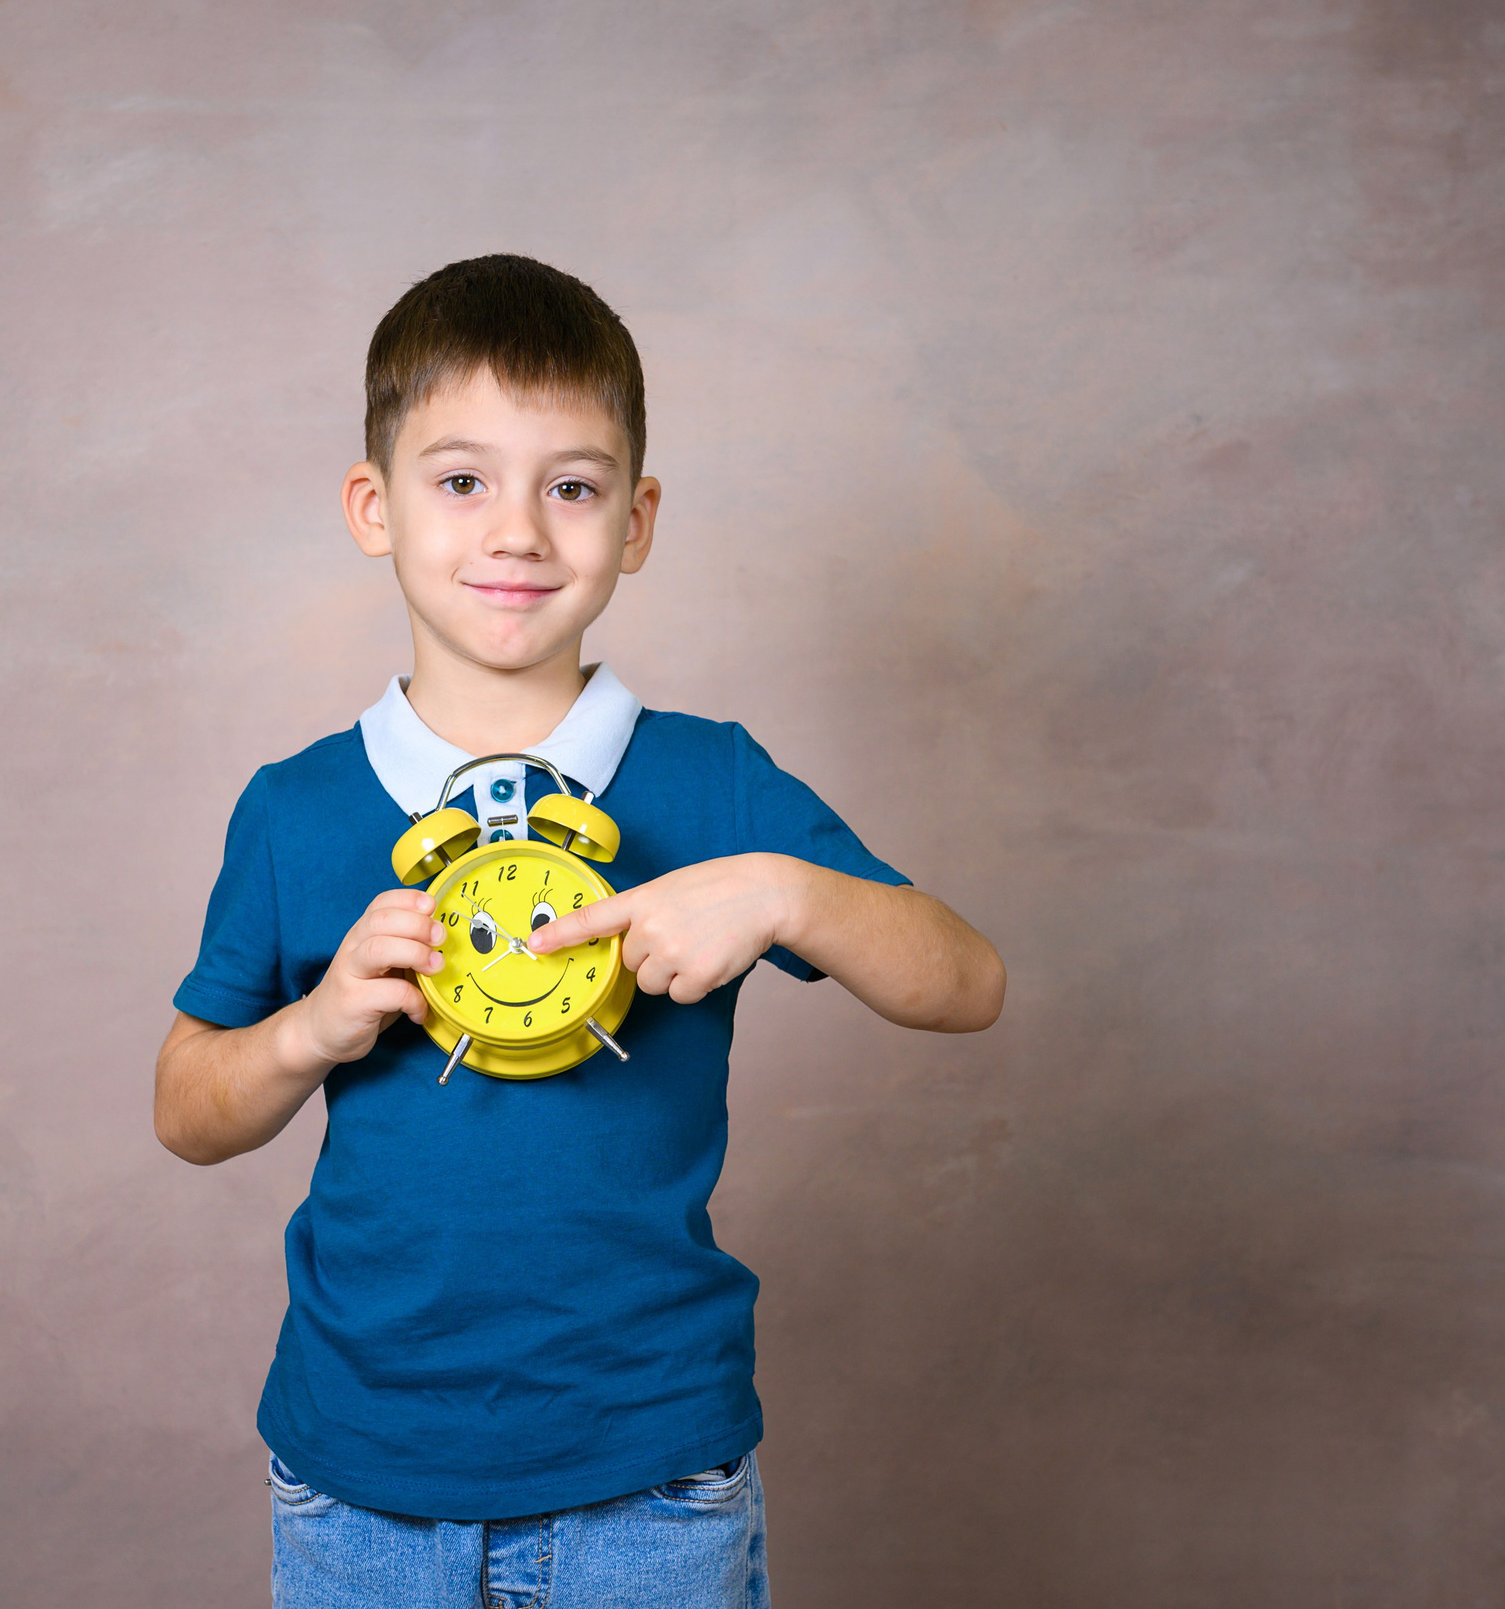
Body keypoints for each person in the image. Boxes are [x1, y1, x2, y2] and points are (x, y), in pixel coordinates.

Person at [154, 254, 1005, 1608]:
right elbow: (187, 1109)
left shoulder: (717, 784)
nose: (516, 533)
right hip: (363, 1473)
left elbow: (967, 984)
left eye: (572, 486)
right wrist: (314, 1028)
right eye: (461, 481)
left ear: (637, 519)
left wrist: (787, 891)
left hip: (652, 1472)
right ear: (373, 509)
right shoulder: (294, 809)